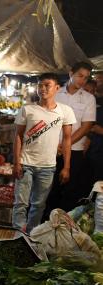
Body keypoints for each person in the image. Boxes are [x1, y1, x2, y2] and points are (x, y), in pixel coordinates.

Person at [12, 73, 75, 233]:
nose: (42, 88)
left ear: (57, 88)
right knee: (20, 204)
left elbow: (67, 140)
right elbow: (18, 137)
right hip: (26, 163)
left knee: (38, 205)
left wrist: (66, 167)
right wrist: (16, 162)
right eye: (40, 85)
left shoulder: (65, 111)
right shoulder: (27, 109)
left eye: (47, 85)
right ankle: (18, 235)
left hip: (48, 166)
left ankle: (31, 235)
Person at [43, 62, 97, 215]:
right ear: (70, 73)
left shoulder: (89, 99)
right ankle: (44, 226)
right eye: (80, 75)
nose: (82, 80)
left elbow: (86, 126)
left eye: (86, 78)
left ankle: (62, 227)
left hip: (74, 151)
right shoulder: (55, 93)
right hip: (51, 149)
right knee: (48, 189)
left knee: (69, 191)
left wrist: (65, 145)